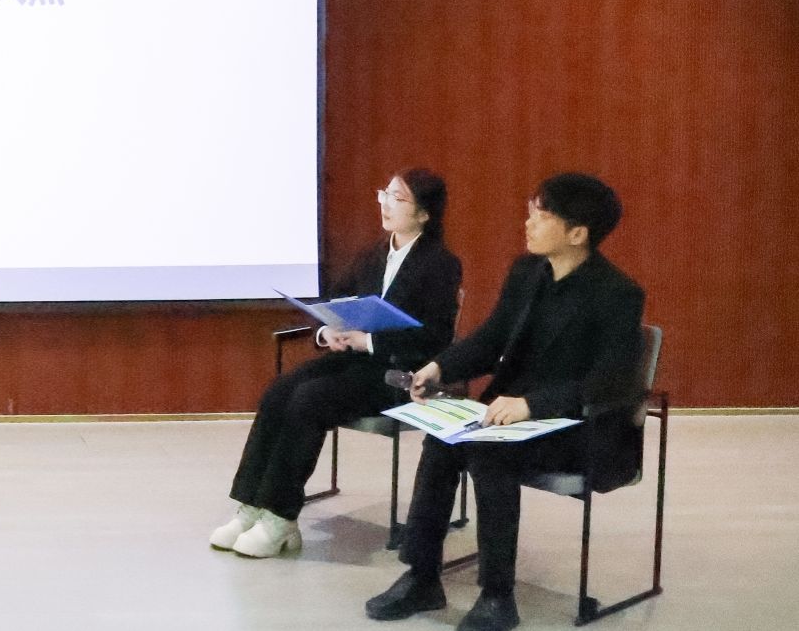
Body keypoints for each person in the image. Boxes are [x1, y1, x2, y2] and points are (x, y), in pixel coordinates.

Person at [366, 173, 646, 631]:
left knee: (488, 452)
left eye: (542, 216)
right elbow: (491, 337)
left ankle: (498, 596)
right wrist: (440, 367)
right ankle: (422, 576)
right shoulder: (527, 271)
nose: (528, 223)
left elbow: (609, 382)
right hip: (509, 416)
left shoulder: (617, 294)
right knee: (441, 442)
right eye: (531, 212)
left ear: (578, 233)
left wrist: (532, 404)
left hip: (579, 428)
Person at [213, 169, 464, 558]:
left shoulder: (441, 264)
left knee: (310, 399)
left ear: (424, 214)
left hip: (398, 373)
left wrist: (371, 341)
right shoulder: (373, 255)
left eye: (398, 198)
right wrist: (326, 331)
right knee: (279, 390)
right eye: (385, 194)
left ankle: (279, 516)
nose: (386, 204)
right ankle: (250, 506)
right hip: (354, 361)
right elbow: (335, 301)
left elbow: (436, 337)